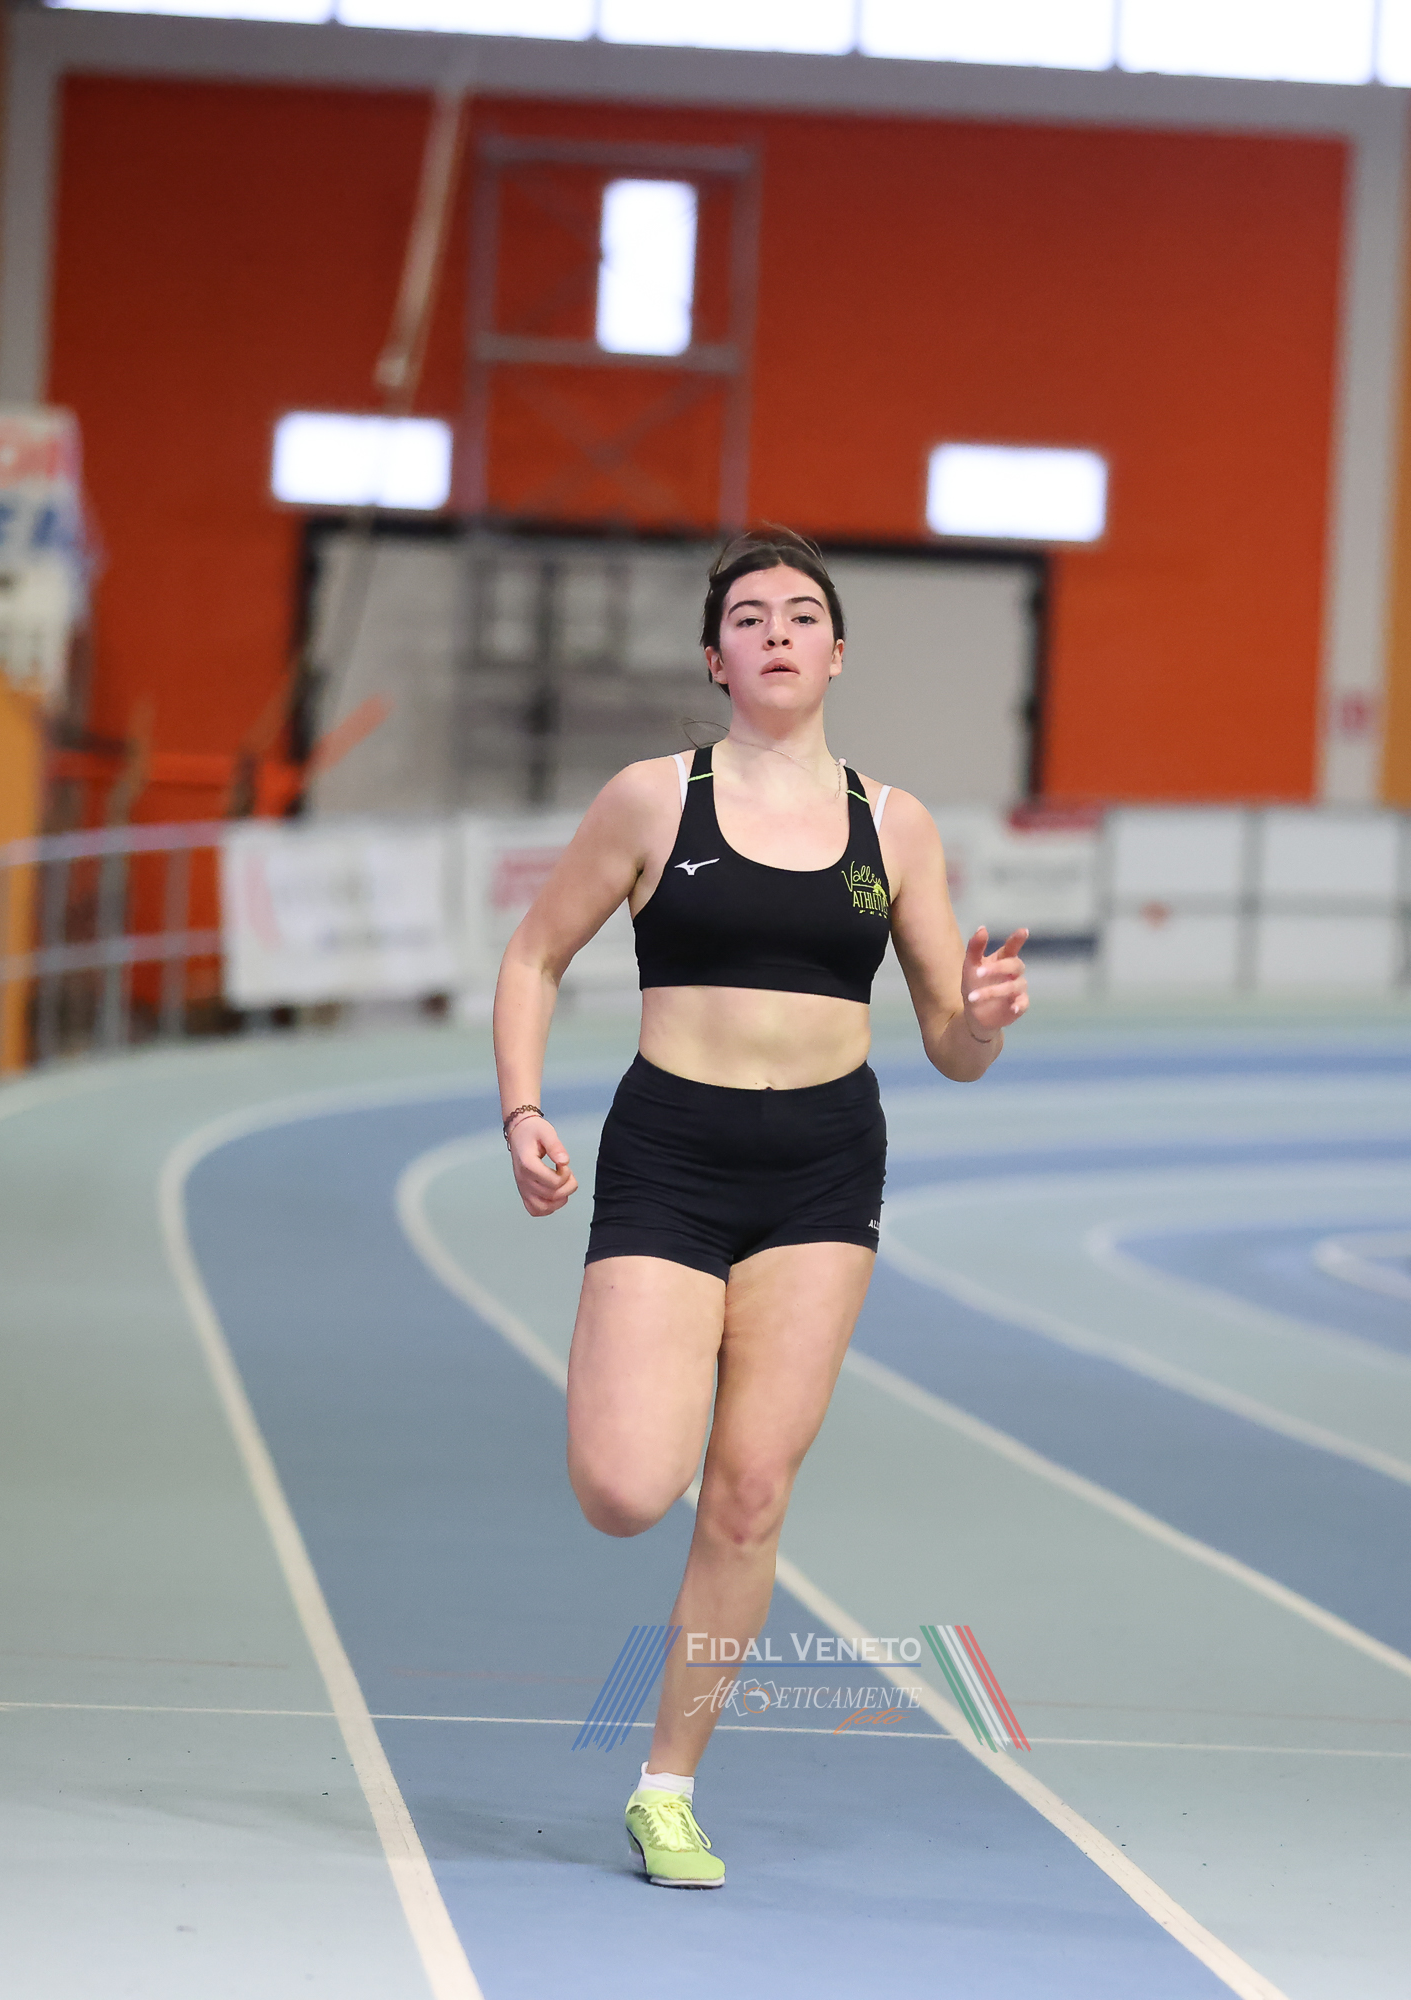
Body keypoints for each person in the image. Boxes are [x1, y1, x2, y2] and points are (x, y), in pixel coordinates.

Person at [492, 528, 1029, 1891]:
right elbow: (534, 954)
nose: (777, 631)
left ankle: (667, 1786)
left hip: (823, 1169)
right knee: (627, 1489)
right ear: (715, 659)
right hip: (673, 1153)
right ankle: (636, 1364)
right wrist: (523, 1107)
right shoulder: (649, 801)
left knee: (746, 1493)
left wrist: (982, 1019)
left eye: (801, 615)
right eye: (750, 616)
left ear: (837, 653)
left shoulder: (893, 825)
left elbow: (950, 1045)